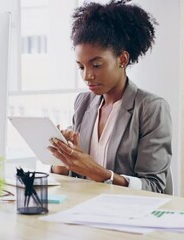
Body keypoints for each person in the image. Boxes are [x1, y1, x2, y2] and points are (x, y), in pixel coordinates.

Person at [48, 0, 172, 194]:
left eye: (96, 65)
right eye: (81, 66)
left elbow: (154, 187)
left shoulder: (150, 108)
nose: (87, 76)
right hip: (89, 209)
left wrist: (97, 171)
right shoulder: (84, 103)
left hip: (132, 215)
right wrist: (63, 160)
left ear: (122, 59)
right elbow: (76, 179)